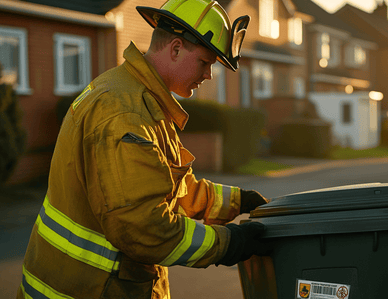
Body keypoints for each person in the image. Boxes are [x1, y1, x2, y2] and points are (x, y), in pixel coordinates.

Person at [17, 0, 270, 298]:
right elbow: (145, 228)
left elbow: (172, 189)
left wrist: (238, 201)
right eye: (205, 62)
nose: (208, 75)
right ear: (175, 48)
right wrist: (230, 243)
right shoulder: (126, 113)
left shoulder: (139, 99)